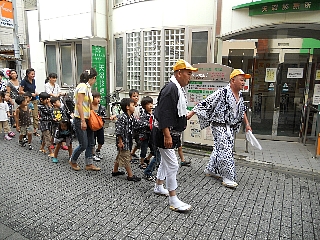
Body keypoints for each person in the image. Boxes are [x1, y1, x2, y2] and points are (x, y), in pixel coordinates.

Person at [187, 69, 252, 188]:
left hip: (231, 127)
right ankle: (227, 177)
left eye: (244, 80)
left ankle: (210, 169)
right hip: (219, 125)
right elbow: (206, 102)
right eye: (241, 80)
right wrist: (191, 113)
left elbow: (242, 111)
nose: (244, 82)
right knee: (226, 150)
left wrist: (247, 124)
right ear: (233, 80)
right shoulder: (223, 92)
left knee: (219, 148)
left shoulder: (240, 95)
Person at [153, 59, 197, 212]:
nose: (189, 77)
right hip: (164, 133)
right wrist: (167, 135)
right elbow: (163, 114)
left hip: (169, 133)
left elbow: (178, 115)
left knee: (166, 163)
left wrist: (193, 112)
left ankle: (159, 186)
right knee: (173, 165)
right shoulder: (171, 89)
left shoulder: (176, 88)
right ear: (179, 73)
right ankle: (173, 199)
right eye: (188, 73)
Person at [69, 68, 100, 171]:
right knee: (83, 144)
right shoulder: (82, 87)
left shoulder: (87, 87)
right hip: (80, 118)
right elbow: (79, 104)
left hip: (88, 118)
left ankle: (89, 164)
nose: (95, 80)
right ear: (92, 78)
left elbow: (89, 105)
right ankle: (73, 160)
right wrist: (82, 120)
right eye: (95, 78)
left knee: (91, 142)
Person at [112, 98, 148, 182]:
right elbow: (118, 131)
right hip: (123, 141)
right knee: (126, 157)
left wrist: (149, 124)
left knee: (120, 155)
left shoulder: (131, 117)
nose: (134, 107)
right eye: (133, 105)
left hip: (128, 140)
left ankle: (115, 171)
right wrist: (120, 142)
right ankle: (130, 175)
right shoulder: (122, 117)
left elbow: (138, 123)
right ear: (127, 107)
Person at [19, 68, 39, 136]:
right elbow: (20, 91)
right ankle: (25, 130)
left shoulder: (33, 80)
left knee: (35, 115)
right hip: (27, 100)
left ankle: (35, 130)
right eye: (32, 74)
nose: (33, 75)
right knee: (27, 115)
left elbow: (33, 89)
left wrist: (35, 92)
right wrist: (29, 94)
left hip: (34, 99)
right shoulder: (24, 81)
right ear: (28, 74)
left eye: (34, 74)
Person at [138, 96, 154, 169]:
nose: (151, 105)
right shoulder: (143, 114)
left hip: (152, 135)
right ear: (144, 106)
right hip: (144, 135)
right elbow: (141, 123)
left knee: (154, 149)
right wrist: (149, 124)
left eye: (151, 103)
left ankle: (147, 159)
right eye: (148, 104)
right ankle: (141, 162)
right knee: (144, 149)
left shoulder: (154, 113)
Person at [91, 91, 107, 161]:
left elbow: (104, 116)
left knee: (101, 141)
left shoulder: (102, 107)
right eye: (96, 98)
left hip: (100, 126)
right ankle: (93, 154)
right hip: (92, 127)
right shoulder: (89, 107)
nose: (98, 99)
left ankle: (98, 150)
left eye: (99, 98)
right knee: (92, 141)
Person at [38, 92, 54, 156]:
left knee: (44, 137)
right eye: (46, 99)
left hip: (48, 123)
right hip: (44, 124)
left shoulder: (45, 104)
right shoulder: (40, 106)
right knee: (48, 138)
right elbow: (49, 111)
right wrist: (49, 105)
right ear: (41, 99)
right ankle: (51, 152)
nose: (48, 101)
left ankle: (41, 148)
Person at [129, 89, 142, 161]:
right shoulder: (129, 107)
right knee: (129, 141)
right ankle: (129, 156)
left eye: (137, 96)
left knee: (139, 142)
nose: (136, 97)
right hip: (131, 127)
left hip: (138, 127)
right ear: (130, 97)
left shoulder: (140, 107)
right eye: (134, 96)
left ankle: (132, 153)